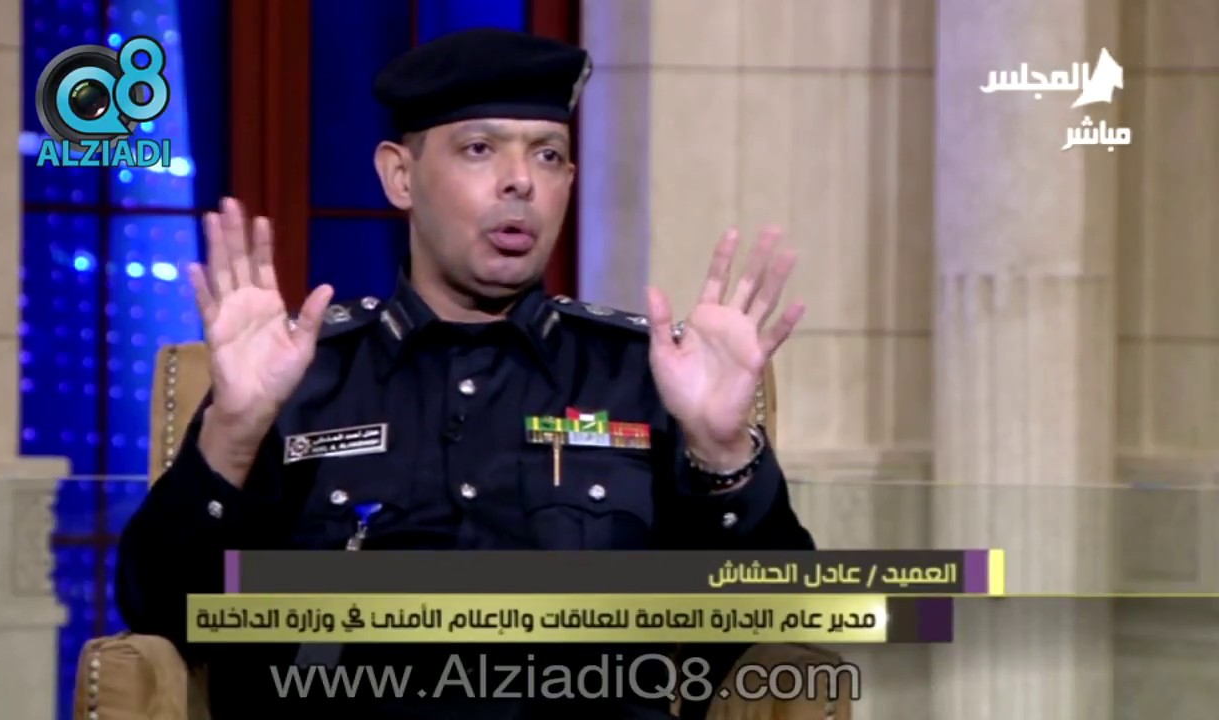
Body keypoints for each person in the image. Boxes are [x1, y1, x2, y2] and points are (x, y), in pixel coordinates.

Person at [115, 27, 816, 720]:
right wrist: (234, 434)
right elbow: (163, 611)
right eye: (480, 149)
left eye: (548, 155)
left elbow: (770, 621)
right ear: (400, 176)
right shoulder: (297, 377)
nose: (521, 180)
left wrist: (723, 454)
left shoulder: (647, 375)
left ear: (569, 183)